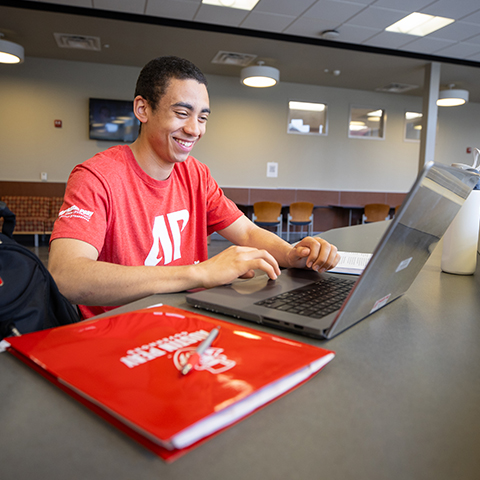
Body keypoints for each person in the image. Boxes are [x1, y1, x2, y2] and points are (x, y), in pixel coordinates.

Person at [49, 56, 340, 319]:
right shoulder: (97, 176)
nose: (194, 129)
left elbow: (247, 232)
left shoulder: (195, 174)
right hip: (119, 333)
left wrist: (292, 255)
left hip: (188, 319)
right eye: (181, 113)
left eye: (202, 117)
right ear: (142, 109)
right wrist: (200, 273)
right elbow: (67, 276)